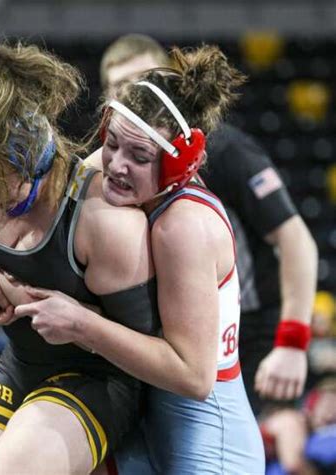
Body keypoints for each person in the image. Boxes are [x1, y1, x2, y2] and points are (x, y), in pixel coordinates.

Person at [0, 37, 159, 475]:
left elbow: (155, 354)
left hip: (95, 379)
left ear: (23, 153)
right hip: (20, 364)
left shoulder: (99, 219)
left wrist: (82, 323)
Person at [13, 43, 266, 474]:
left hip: (207, 449)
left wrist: (81, 324)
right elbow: (44, 189)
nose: (117, 165)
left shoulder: (181, 226)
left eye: (139, 157)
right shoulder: (131, 169)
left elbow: (194, 377)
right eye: (111, 143)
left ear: (178, 166)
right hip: (153, 429)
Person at [93, 33, 319, 414]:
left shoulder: (225, 149)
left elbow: (296, 239)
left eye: (141, 82)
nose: (134, 97)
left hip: (245, 334)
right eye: (119, 89)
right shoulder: (111, 161)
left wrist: (292, 342)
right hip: (168, 337)